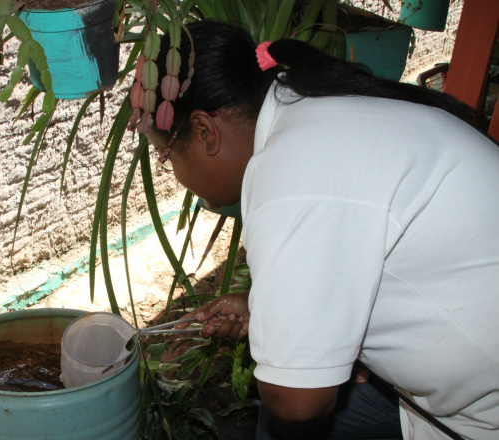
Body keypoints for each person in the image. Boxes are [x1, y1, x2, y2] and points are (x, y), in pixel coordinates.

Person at [139, 20, 499, 440]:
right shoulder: (312, 109)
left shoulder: (288, 173)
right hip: (464, 381)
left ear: (204, 131)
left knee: (279, 421)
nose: (175, 173)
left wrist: (281, 349)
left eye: (165, 155)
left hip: (481, 413)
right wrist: (266, 314)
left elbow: (297, 403)